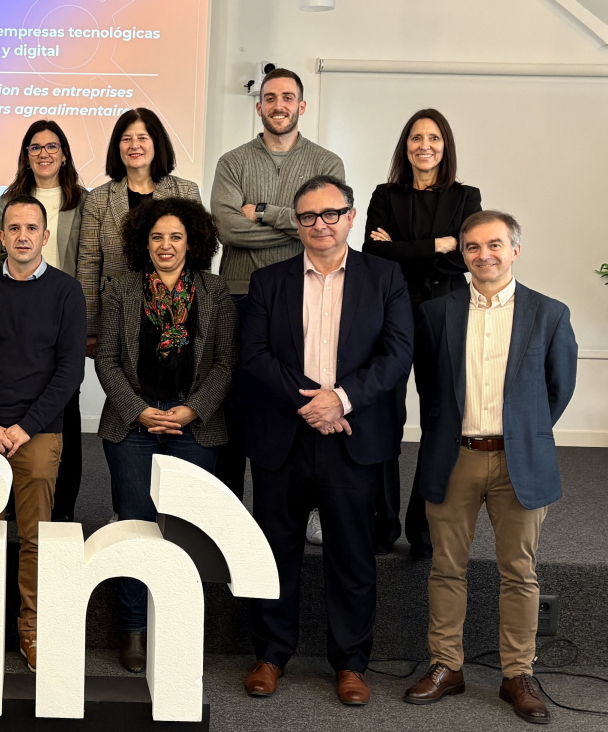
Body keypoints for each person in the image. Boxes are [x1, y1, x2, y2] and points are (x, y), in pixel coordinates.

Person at [241, 176, 411, 706]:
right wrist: (311, 403)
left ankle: (351, 663)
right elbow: (255, 355)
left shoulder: (386, 277)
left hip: (353, 437)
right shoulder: (269, 281)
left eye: (331, 214)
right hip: (284, 436)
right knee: (275, 552)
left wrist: (340, 399)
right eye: (309, 216)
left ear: (351, 216)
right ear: (297, 223)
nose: (320, 224)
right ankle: (270, 654)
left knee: (352, 555)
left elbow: (396, 353)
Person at [405, 211, 576, 725]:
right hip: (454, 456)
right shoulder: (438, 312)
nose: (484, 255)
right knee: (445, 567)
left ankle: (517, 673)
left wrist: (523, 432)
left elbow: (557, 390)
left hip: (518, 460)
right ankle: (446, 665)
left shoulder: (549, 313)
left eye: (495, 245)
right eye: (474, 247)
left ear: (515, 250)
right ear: (463, 253)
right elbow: (431, 388)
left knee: (520, 573)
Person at [94, 197, 236, 672]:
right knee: (136, 526)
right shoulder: (122, 288)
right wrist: (139, 412)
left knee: (185, 532)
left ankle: (176, 625)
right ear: (143, 242)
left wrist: (192, 410)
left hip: (194, 427)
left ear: (192, 242)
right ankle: (133, 629)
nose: (166, 245)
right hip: (133, 426)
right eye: (157, 237)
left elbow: (224, 363)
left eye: (176, 236)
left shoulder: (214, 292)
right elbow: (107, 360)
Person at [0, 195, 86, 672]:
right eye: (14, 228)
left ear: (45, 236)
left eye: (32, 227)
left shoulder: (67, 292)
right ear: (2, 236)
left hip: (39, 434)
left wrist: (25, 427)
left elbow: (69, 372)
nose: (23, 235)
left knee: (34, 539)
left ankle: (31, 630)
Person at [211, 67, 345, 518]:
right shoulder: (232, 162)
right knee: (234, 403)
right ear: (259, 107)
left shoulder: (327, 163)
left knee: (298, 396)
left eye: (288, 97)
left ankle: (303, 509)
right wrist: (300, 228)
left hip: (308, 292)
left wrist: (264, 211)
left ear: (301, 106)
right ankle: (226, 514)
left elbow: (330, 223)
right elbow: (228, 229)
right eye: (270, 98)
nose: (279, 105)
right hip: (240, 293)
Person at [363, 108, 483, 560]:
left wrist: (402, 249)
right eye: (416, 137)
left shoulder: (465, 197)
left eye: (434, 138)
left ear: (445, 146)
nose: (425, 146)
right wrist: (436, 245)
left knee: (439, 418)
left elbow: (464, 259)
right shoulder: (385, 194)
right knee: (384, 416)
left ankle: (424, 528)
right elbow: (374, 254)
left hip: (444, 315)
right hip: (391, 314)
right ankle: (382, 524)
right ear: (405, 145)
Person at [0, 120, 86, 523]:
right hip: (18, 310)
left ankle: (61, 508)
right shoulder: (9, 198)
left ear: (64, 154)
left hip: (62, 310)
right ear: (26, 155)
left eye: (52, 146)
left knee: (62, 412)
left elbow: (88, 261)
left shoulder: (83, 202)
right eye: (35, 147)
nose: (44, 153)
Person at [79, 107, 201, 358]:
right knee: (121, 390)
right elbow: (89, 266)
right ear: (117, 146)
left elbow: (200, 260)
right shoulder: (98, 199)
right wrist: (90, 328)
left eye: (142, 137)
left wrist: (200, 318)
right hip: (117, 315)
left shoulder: (186, 192)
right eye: (126, 139)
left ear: (157, 143)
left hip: (176, 316)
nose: (134, 145)